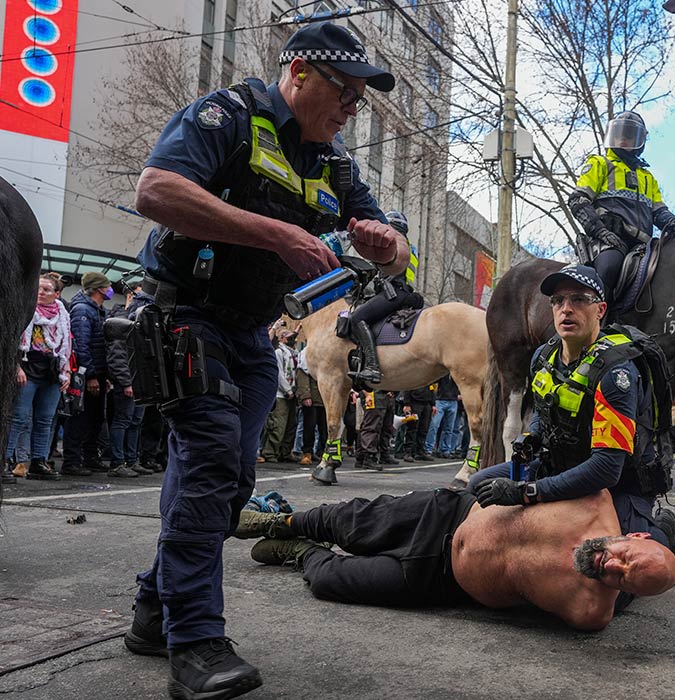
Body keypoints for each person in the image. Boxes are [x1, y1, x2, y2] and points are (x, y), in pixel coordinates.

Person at [123, 22, 409, 698]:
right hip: (184, 317)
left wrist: (383, 241)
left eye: (360, 100)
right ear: (301, 73)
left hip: (252, 336)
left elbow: (395, 248)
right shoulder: (227, 115)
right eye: (346, 92)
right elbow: (155, 191)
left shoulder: (335, 163)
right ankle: (194, 642)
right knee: (212, 467)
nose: (351, 109)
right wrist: (276, 233)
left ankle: (152, 608)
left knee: (227, 490)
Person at [467, 264, 675, 586]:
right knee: (480, 486)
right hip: (562, 464)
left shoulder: (617, 373)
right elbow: (545, 415)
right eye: (558, 301)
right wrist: (530, 440)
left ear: (600, 309)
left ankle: (663, 531)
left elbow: (606, 469)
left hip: (618, 483)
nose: (566, 309)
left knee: (624, 573)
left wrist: (528, 492)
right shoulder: (543, 358)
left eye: (578, 299)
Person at [234, 489, 675, 630]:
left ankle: (299, 552)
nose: (613, 568)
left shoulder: (590, 612)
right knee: (346, 521)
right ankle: (284, 523)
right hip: (446, 516)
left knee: (333, 582)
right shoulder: (595, 500)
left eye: (626, 581)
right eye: (626, 557)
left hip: (438, 581)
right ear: (633, 534)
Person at [567, 112, 675, 307]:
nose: (622, 139)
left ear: (640, 141)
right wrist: (600, 230)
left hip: (644, 248)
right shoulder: (600, 164)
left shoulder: (648, 177)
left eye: (629, 135)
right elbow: (577, 200)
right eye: (618, 134)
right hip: (610, 242)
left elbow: (659, 213)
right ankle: (595, 323)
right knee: (609, 268)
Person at [4, 274, 71, 482]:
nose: (41, 293)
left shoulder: (62, 312)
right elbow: (11, 338)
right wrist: (16, 366)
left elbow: (66, 342)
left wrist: (66, 369)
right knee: (18, 418)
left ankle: (38, 461)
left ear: (57, 294)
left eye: (47, 290)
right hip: (27, 366)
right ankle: (5, 461)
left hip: (51, 370)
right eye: (38, 288)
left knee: (45, 420)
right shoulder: (25, 308)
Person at [346, 210, 423, 387]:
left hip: (393, 291)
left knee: (357, 317)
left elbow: (387, 273)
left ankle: (372, 366)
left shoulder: (392, 241)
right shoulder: (409, 246)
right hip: (405, 292)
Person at [63, 272, 113, 477]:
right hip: (85, 375)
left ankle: (90, 457)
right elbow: (81, 346)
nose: (110, 289)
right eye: (108, 285)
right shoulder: (83, 310)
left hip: (98, 373)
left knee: (95, 417)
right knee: (79, 417)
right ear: (99, 288)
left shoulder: (98, 310)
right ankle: (72, 461)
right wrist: (91, 375)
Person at [105, 283, 152, 478]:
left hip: (139, 380)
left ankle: (131, 460)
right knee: (123, 421)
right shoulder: (121, 321)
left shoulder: (140, 322)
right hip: (129, 381)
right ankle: (117, 462)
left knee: (135, 422)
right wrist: (126, 382)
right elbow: (117, 356)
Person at [259, 329, 298, 463]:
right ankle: (270, 452)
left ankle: (285, 452)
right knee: (278, 425)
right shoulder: (278, 352)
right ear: (282, 338)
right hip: (282, 394)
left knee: (291, 425)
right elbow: (279, 374)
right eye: (290, 337)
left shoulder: (294, 353)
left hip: (294, 394)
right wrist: (288, 390)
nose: (293, 340)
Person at [296, 347, 327, 465]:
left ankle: (322, 452)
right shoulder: (306, 355)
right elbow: (302, 375)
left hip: (324, 399)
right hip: (312, 398)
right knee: (309, 427)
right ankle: (307, 453)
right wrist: (305, 395)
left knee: (324, 428)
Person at [425, 373, 460, 458]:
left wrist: (459, 393)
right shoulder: (443, 373)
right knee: (434, 425)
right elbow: (433, 383)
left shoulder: (457, 374)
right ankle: (429, 448)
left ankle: (445, 449)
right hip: (440, 400)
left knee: (449, 428)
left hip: (453, 400)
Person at [399, 384, 435, 462]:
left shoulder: (428, 376)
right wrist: (407, 404)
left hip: (427, 403)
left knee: (424, 428)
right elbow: (407, 387)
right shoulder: (415, 375)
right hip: (415, 403)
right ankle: (408, 452)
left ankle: (420, 451)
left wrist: (433, 404)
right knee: (412, 428)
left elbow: (432, 389)